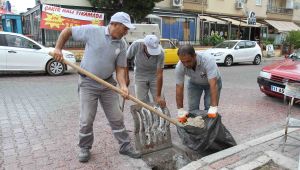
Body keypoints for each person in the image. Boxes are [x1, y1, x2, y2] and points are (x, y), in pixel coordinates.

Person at [52, 12, 141, 162]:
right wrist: (58, 49)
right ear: (114, 24)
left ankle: (125, 146)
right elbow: (67, 31)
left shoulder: (122, 44)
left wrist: (123, 85)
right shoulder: (93, 31)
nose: (126, 32)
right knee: (86, 118)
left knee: (117, 117)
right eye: (125, 29)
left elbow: (119, 69)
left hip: (107, 84)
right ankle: (85, 147)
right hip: (88, 83)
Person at [175, 44, 222, 118]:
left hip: (212, 84)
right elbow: (179, 88)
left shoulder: (208, 60)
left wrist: (213, 107)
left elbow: (213, 84)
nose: (186, 64)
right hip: (194, 83)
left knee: (209, 109)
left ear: (194, 56)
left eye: (188, 61)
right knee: (192, 109)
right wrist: (180, 109)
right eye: (183, 62)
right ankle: (195, 128)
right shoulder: (179, 66)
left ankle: (209, 128)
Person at [126, 35, 166, 108]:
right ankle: (146, 118)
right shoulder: (136, 45)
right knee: (141, 102)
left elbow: (159, 74)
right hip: (140, 74)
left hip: (154, 75)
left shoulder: (161, 52)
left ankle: (160, 118)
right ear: (144, 45)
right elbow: (126, 59)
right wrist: (126, 77)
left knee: (160, 101)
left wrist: (159, 96)